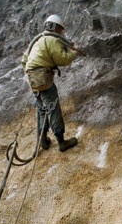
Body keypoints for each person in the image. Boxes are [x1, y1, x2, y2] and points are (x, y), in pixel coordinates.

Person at [21, 15, 80, 152]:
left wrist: (32, 74)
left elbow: (24, 60)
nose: (61, 33)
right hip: (43, 79)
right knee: (53, 108)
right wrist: (74, 52)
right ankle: (61, 142)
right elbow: (63, 60)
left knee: (42, 109)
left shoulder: (38, 40)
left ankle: (43, 140)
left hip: (33, 79)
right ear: (56, 27)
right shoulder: (52, 40)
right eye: (61, 29)